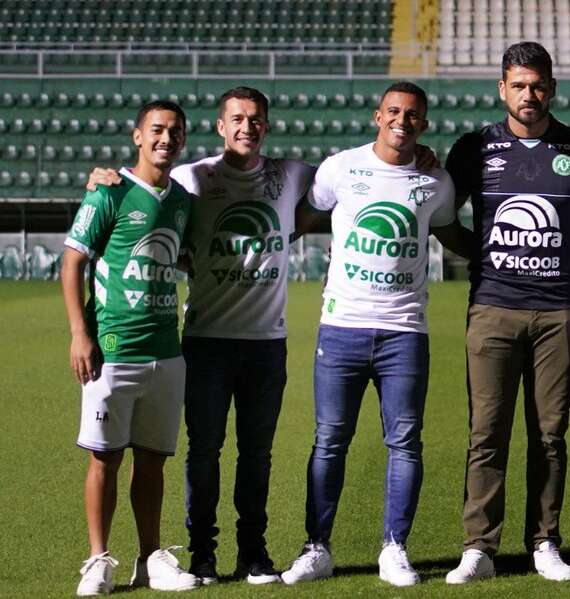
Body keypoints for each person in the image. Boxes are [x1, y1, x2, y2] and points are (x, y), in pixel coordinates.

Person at [85, 87, 316, 586]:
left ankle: (253, 553)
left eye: (255, 119)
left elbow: (355, 183)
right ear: (219, 126)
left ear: (267, 125)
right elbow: (138, 191)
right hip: (206, 339)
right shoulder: (193, 178)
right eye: (236, 119)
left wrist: (418, 156)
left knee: (258, 453)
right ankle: (203, 553)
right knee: (203, 451)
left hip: (266, 342)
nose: (246, 127)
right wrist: (101, 178)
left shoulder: (292, 175)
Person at [278, 81, 472, 587]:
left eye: (412, 115)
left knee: (405, 442)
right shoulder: (341, 168)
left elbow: (451, 234)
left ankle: (394, 547)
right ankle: (316, 548)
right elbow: (300, 216)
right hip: (341, 327)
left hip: (404, 332)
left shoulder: (437, 183)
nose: (401, 121)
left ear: (423, 124)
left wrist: (503, 255)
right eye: (393, 112)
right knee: (329, 442)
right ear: (377, 116)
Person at [442, 41, 570, 584]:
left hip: (559, 312)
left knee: (550, 435)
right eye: (518, 85)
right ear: (502, 89)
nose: (529, 95)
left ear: (552, 88)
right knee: (486, 434)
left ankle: (544, 542)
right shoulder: (472, 149)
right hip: (492, 309)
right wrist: (482, 253)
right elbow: (444, 218)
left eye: (538, 85)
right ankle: (479, 547)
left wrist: (562, 246)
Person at [65, 100, 199, 595]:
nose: (167, 138)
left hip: (167, 352)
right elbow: (71, 262)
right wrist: (81, 334)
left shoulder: (183, 200)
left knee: (153, 459)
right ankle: (98, 559)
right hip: (112, 349)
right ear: (138, 136)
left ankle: (151, 559)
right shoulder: (111, 192)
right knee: (105, 459)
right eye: (158, 130)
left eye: (176, 131)